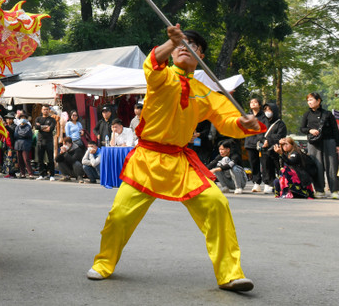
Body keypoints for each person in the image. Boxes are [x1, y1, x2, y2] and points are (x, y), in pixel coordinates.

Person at [87, 25, 264, 293]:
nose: (185, 47)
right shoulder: (161, 77)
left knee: (216, 204)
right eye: (182, 44)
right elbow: (153, 63)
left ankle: (230, 274)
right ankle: (104, 263)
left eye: (193, 45)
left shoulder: (205, 92)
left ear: (200, 57)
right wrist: (171, 42)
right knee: (120, 215)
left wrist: (243, 121)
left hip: (180, 161)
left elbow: (227, 119)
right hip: (146, 159)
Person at [297, 92, 338, 199]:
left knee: (331, 166)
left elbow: (335, 130)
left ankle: (334, 190)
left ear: (318, 101)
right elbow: (302, 128)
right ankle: (319, 190)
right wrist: (310, 130)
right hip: (313, 143)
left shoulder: (328, 114)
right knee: (317, 166)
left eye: (311, 100)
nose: (309, 102)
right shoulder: (307, 114)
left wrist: (337, 145)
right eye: (308, 100)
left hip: (329, 141)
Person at [257, 103, 288, 194]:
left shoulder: (280, 123)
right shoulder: (263, 122)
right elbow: (259, 134)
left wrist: (269, 141)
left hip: (275, 149)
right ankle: (268, 184)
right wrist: (263, 141)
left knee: (278, 166)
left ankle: (281, 183)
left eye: (269, 110)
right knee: (266, 166)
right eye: (266, 110)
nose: (267, 112)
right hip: (264, 149)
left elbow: (280, 135)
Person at [244, 98, 265, 192]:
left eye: (255, 102)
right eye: (251, 102)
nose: (253, 104)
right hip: (250, 142)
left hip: (262, 142)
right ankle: (256, 183)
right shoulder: (247, 116)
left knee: (265, 163)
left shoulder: (264, 116)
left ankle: (268, 182)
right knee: (254, 163)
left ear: (259, 104)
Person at [33, 105, 56, 180]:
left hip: (49, 141)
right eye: (44, 109)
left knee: (50, 158)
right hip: (40, 141)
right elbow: (36, 127)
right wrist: (45, 127)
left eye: (47, 109)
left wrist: (41, 127)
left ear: (49, 110)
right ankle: (41, 174)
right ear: (41, 110)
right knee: (40, 159)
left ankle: (52, 174)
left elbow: (50, 129)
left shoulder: (52, 119)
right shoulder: (38, 118)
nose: (45, 111)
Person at [12, 112, 34, 178]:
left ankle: (30, 173)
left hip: (25, 144)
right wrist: (21, 135)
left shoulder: (28, 127)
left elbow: (26, 134)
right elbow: (15, 135)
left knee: (26, 159)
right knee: (19, 160)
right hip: (18, 145)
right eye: (21, 118)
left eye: (24, 118)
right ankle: (22, 173)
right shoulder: (17, 127)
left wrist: (20, 135)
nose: (23, 119)